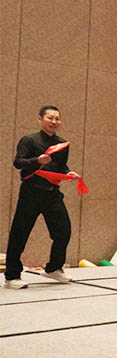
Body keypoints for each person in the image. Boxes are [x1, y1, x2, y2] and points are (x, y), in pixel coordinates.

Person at [4, 105, 81, 289]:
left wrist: (69, 173)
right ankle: (12, 276)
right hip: (31, 192)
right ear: (40, 119)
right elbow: (18, 162)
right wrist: (36, 160)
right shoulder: (29, 140)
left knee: (63, 230)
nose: (54, 122)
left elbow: (60, 167)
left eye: (57, 119)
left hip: (52, 193)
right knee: (20, 233)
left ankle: (54, 268)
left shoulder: (62, 144)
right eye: (50, 118)